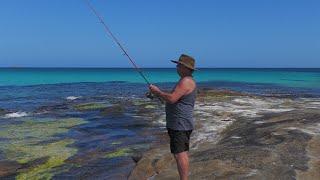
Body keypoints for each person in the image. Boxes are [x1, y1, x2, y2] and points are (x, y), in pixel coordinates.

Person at [149, 54, 197, 180]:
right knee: (181, 153)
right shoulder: (186, 80)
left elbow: (172, 98)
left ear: (185, 67)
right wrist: (157, 95)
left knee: (180, 154)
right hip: (180, 123)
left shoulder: (186, 81)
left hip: (180, 124)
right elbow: (175, 98)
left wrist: (158, 91)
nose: (176, 67)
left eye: (179, 65)